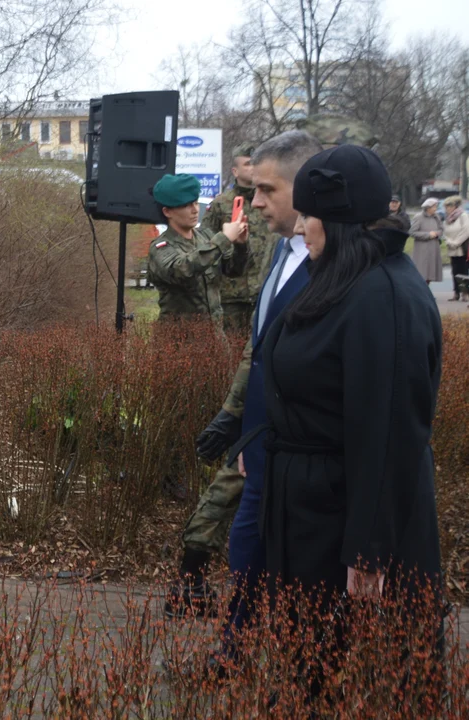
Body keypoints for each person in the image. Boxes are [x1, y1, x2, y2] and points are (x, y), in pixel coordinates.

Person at [249, 145, 443, 697]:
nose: (301, 227)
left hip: (345, 523)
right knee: (308, 663)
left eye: (310, 216)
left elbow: (388, 434)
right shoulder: (340, 277)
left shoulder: (384, 297)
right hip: (311, 509)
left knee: (348, 671)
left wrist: (368, 549)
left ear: (338, 221)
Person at [167, 132, 324, 637]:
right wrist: (234, 414)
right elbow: (187, 270)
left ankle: (251, 643)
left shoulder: (327, 261)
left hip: (288, 428)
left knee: (270, 546)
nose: (255, 203)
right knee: (244, 532)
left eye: (266, 191)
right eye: (252, 189)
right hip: (203, 371)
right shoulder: (186, 241)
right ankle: (216, 618)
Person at [146, 173, 250, 324]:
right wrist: (224, 239)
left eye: (195, 203)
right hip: (180, 340)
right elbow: (182, 270)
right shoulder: (160, 248)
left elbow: (234, 270)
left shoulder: (206, 237)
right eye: (186, 205)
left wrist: (240, 245)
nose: (195, 210)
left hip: (214, 335)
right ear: (167, 211)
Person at [200, 144, 279, 331]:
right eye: (248, 164)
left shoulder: (273, 201)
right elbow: (205, 243)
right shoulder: (221, 204)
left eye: (257, 164)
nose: (254, 168)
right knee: (233, 352)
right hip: (233, 295)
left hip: (265, 289)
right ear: (235, 171)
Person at [409, 198, 443, 285]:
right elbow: (412, 232)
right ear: (428, 208)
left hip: (434, 248)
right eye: (434, 206)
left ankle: (427, 291)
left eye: (436, 206)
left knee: (430, 272)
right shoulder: (418, 217)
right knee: (422, 272)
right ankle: (421, 293)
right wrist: (428, 235)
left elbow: (441, 229)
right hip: (422, 249)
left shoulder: (437, 217)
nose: (436, 208)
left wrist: (436, 233)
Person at [443, 196, 469, 301]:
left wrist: (456, 242)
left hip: (462, 248)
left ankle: (465, 293)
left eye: (450, 206)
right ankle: (456, 293)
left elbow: (466, 231)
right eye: (446, 206)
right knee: (454, 272)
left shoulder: (463, 216)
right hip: (452, 249)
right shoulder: (447, 219)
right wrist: (449, 242)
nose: (447, 208)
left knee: (463, 272)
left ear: (455, 206)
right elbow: (445, 232)